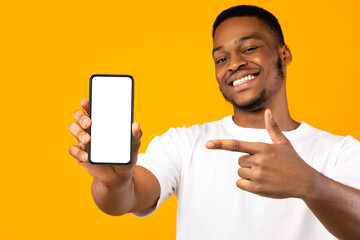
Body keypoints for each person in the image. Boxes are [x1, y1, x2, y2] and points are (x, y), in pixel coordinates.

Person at [68, 5, 360, 240]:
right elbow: (126, 199)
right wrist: (117, 182)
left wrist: (308, 184)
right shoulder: (185, 143)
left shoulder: (341, 151)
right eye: (221, 59)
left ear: (284, 54)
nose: (233, 64)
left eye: (248, 49)